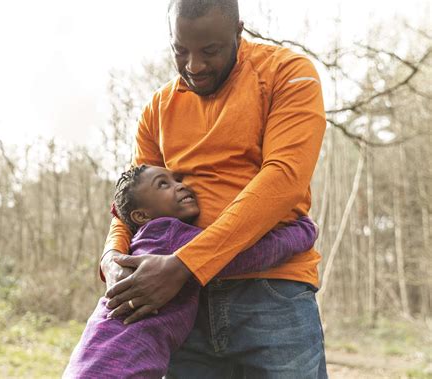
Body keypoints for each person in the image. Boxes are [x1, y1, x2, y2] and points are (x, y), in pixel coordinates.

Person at [102, 0, 327, 377]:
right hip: (179, 304)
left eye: (210, 51)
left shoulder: (287, 73)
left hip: (271, 291)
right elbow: (130, 204)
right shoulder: (157, 109)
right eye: (180, 50)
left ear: (239, 32)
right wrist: (112, 257)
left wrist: (187, 265)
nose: (194, 66)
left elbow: (284, 178)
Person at [64, 165, 318, 378]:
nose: (180, 185)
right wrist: (301, 232)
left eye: (177, 179)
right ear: (141, 215)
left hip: (89, 362)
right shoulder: (170, 234)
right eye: (163, 185)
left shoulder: (144, 243)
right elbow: (244, 257)